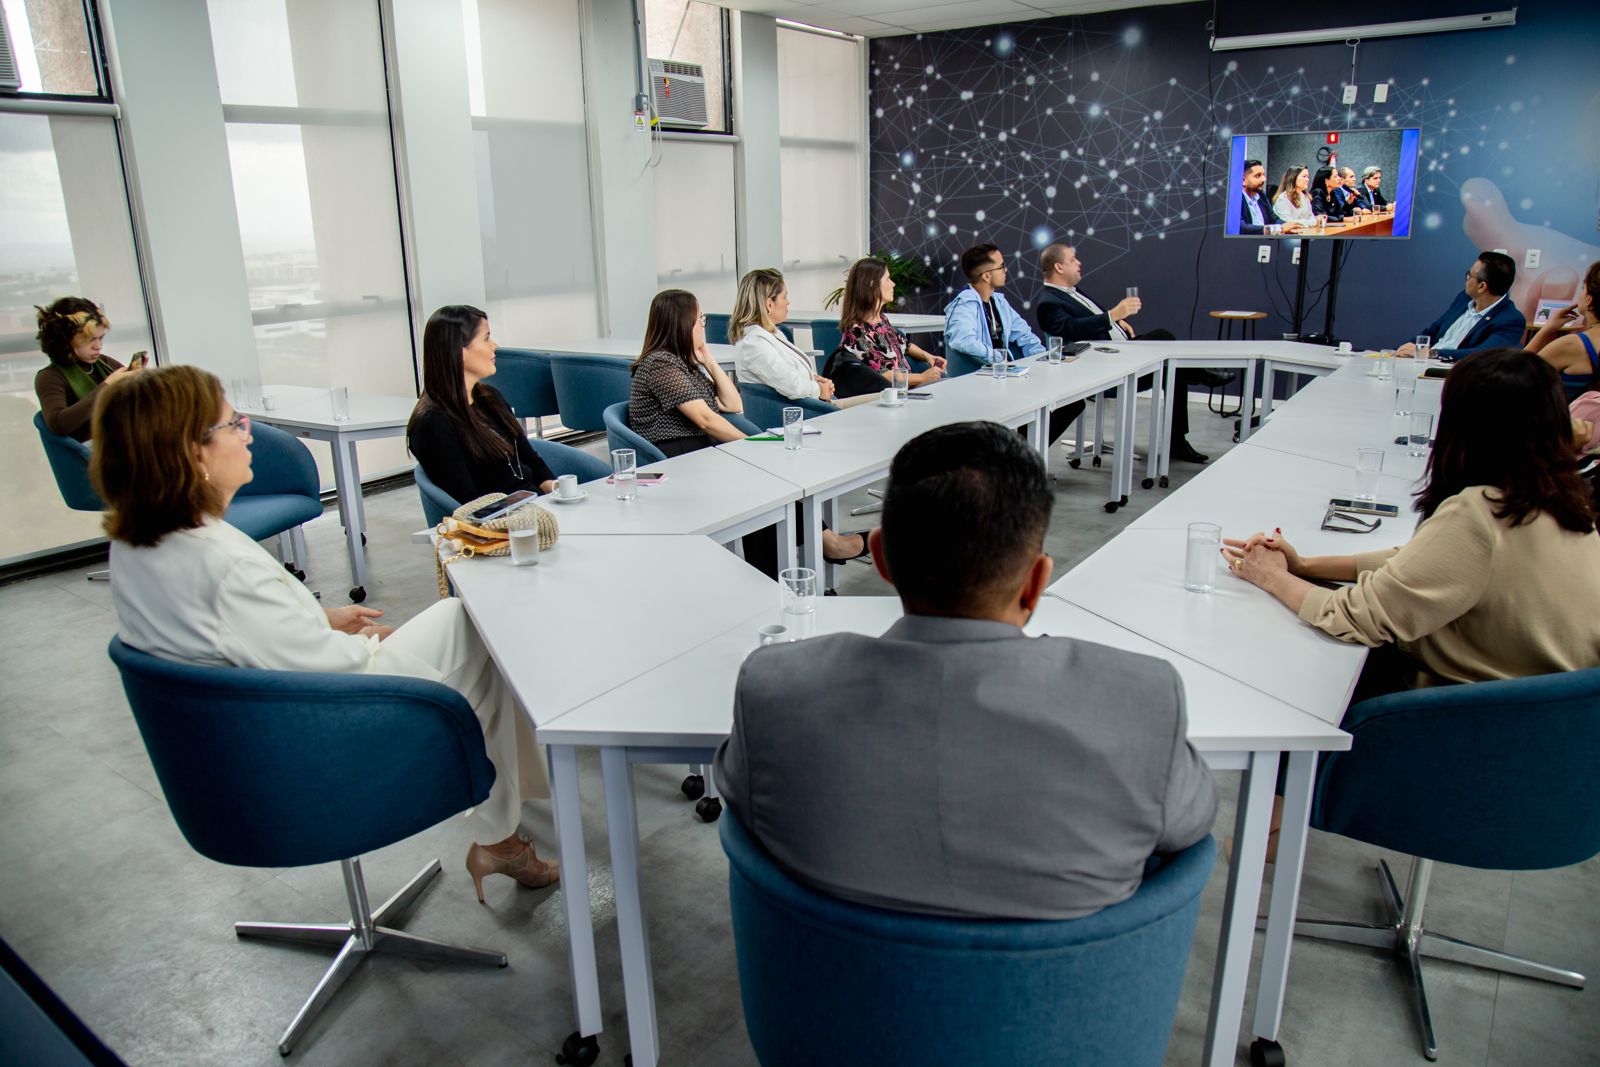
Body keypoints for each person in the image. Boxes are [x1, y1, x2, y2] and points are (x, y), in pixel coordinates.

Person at [714, 420, 1217, 920]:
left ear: (882, 560)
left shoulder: (774, 691)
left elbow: (743, 796)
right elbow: (1191, 823)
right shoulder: (1143, 703)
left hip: (824, 992)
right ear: (1036, 581)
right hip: (1067, 996)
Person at [93, 365, 556, 903]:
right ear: (191, 453)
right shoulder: (223, 563)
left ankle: (504, 826)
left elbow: (225, 637)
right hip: (309, 745)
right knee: (474, 631)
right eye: (232, 424)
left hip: (233, 744)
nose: (247, 434)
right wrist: (363, 643)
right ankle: (507, 824)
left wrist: (315, 619)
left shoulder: (140, 543)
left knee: (461, 628)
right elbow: (337, 674)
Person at [1224, 348, 1600, 695]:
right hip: (1545, 722)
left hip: (1459, 717)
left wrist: (1271, 576)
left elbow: (1353, 617)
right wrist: (1304, 565)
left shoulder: (1481, 511)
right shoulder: (1564, 504)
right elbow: (1424, 562)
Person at [633, 288, 866, 563]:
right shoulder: (661, 364)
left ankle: (819, 548)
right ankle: (825, 546)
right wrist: (748, 445)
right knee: (760, 484)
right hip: (677, 460)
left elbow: (732, 403)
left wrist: (706, 357)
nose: (703, 325)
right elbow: (706, 420)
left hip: (699, 452)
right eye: (700, 319)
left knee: (766, 483)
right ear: (683, 324)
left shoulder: (684, 364)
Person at [1035, 243, 1211, 463]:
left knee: (1174, 369)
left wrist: (1116, 321)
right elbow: (1071, 329)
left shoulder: (1071, 292)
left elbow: (1086, 320)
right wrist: (1111, 316)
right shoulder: (1048, 303)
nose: (1079, 263)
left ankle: (1177, 441)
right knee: (1163, 338)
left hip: (1121, 354)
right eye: (1073, 260)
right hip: (1104, 368)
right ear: (1059, 267)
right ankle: (1202, 376)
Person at [407, 305, 558, 505]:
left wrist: (561, 495)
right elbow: (469, 504)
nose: (494, 346)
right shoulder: (433, 424)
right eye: (486, 338)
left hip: (535, 506)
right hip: (504, 523)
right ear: (459, 351)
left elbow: (532, 462)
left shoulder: (489, 398)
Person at [945, 244, 1081, 449]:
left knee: (1070, 403)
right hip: (980, 380)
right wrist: (999, 358)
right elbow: (962, 340)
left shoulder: (998, 302)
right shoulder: (964, 304)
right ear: (986, 276)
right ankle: (1016, 454)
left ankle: (1019, 452)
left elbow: (1024, 334)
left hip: (1004, 376)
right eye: (1001, 266)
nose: (1006, 270)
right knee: (1050, 404)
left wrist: (1043, 359)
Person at [728, 268, 868, 410]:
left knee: (881, 400)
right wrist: (819, 389)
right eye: (784, 297)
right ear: (769, 304)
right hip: (808, 414)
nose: (788, 302)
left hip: (815, 407)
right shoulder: (754, 344)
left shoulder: (771, 334)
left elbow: (786, 374)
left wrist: (815, 379)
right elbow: (791, 385)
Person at [834, 257, 946, 398]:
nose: (893, 284)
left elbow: (904, 344)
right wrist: (923, 377)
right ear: (872, 283)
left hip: (907, 387)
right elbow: (885, 375)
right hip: (893, 394)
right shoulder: (857, 331)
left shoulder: (881, 319)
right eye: (888, 279)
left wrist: (928, 356)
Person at [34, 297, 141, 441]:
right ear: (65, 340)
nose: (98, 346)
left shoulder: (103, 362)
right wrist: (107, 387)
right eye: (90, 339)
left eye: (101, 338)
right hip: (93, 451)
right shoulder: (50, 377)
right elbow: (59, 425)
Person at [1396, 251, 1525, 362]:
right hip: (1424, 361)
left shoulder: (1511, 320)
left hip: (1453, 371)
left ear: (1482, 287)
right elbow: (1434, 330)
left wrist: (1431, 354)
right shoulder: (1464, 298)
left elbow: (1482, 355)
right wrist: (1409, 347)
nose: (1466, 279)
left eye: (1469, 275)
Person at [1527, 260, 1600, 401]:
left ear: (1589, 300)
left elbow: (1514, 371)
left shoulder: (1572, 345)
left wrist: (1547, 329)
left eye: (1582, 289)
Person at [1238, 160, 1302, 236]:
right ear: (1243, 180)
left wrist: (1290, 227)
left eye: (1263, 175)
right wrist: (1280, 228)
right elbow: (1242, 228)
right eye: (1258, 176)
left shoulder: (1261, 195)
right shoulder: (1236, 199)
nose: (1264, 179)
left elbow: (1274, 219)